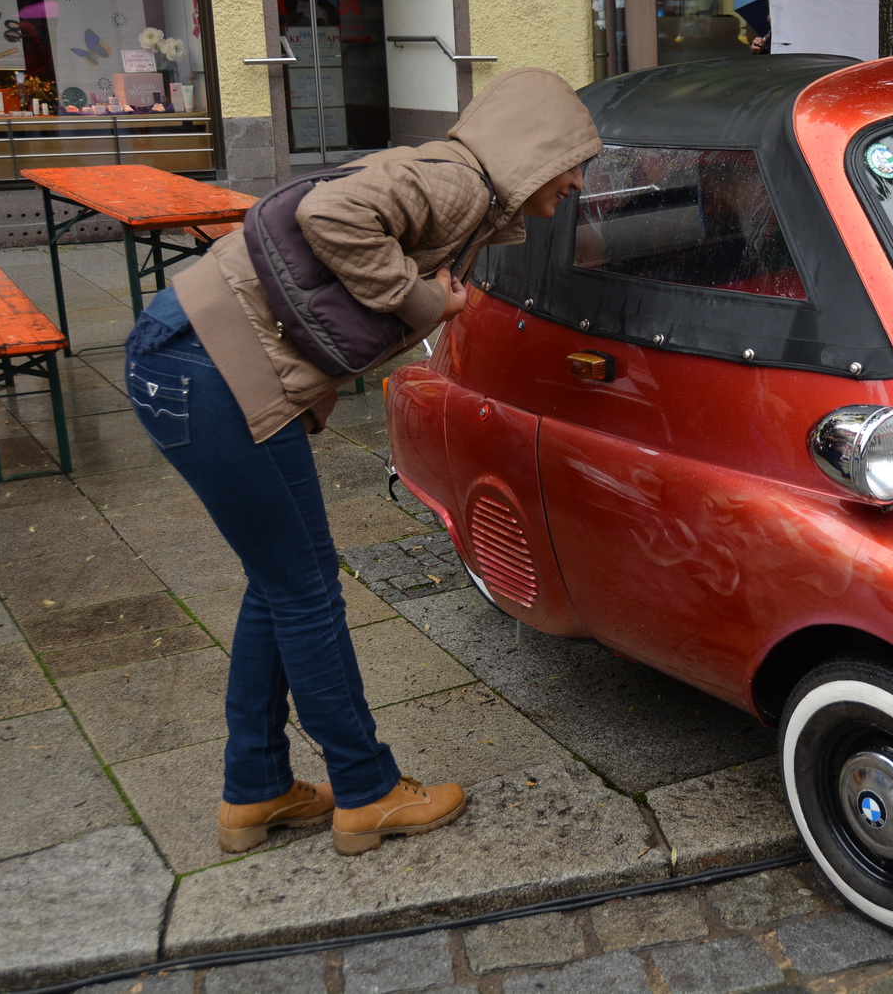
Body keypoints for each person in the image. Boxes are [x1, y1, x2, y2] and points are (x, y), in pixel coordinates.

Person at [124, 67, 600, 856]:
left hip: (188, 361)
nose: (578, 180)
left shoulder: (460, 188)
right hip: (208, 371)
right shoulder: (457, 184)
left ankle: (257, 787)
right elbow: (329, 213)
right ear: (526, 150)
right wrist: (421, 303)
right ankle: (366, 789)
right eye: (570, 158)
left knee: (279, 585)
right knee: (307, 589)